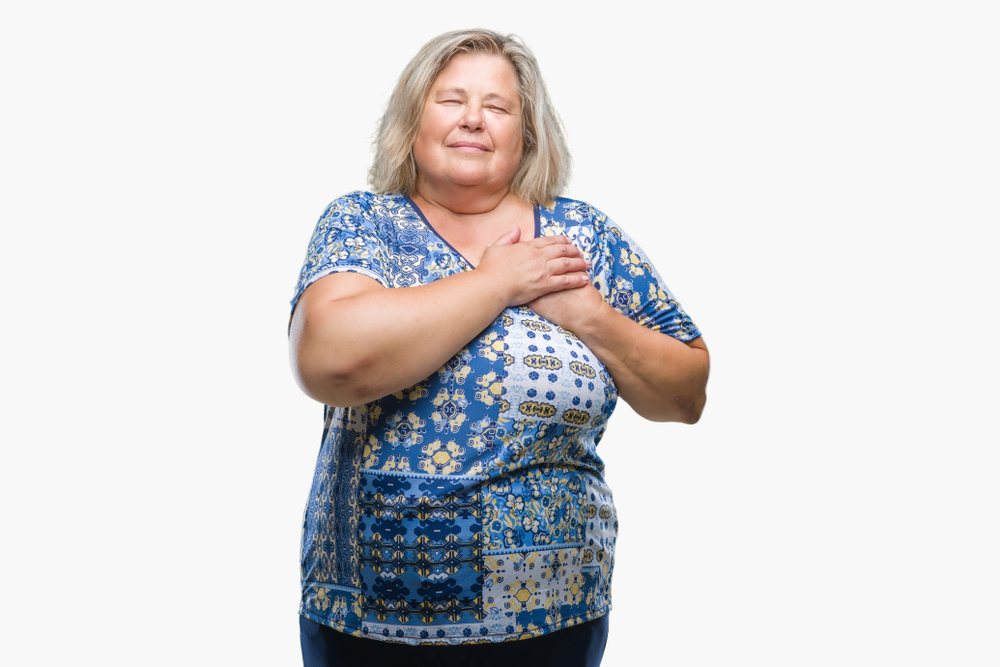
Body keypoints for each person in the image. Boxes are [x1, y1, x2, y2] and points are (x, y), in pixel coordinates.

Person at [288, 29, 709, 667]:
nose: (474, 120)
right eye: (451, 100)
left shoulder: (583, 237)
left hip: (557, 619)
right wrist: (497, 283)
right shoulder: (363, 223)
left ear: (527, 135)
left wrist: (589, 316)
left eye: (499, 106)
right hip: (371, 626)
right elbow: (329, 359)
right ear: (412, 119)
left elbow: (687, 392)